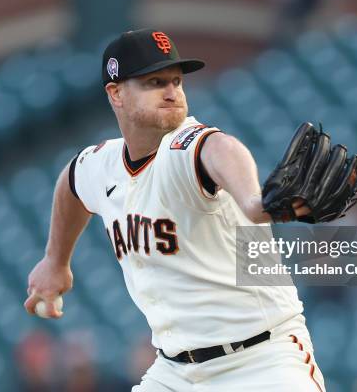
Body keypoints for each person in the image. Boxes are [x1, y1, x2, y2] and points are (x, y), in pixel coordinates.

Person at [24, 29, 326, 391]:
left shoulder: (189, 145)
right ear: (116, 93)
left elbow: (220, 149)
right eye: (155, 82)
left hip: (261, 360)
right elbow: (71, 183)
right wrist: (56, 261)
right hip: (176, 372)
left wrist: (252, 201)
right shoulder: (100, 164)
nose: (171, 92)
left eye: (176, 81)